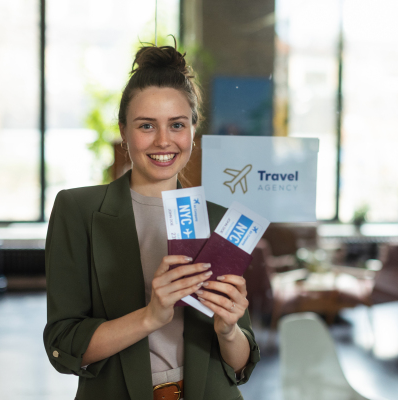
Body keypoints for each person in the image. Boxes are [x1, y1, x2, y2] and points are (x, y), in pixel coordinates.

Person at [43, 43, 260, 400]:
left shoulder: (220, 217)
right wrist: (151, 316)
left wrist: (229, 330)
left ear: (193, 129)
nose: (163, 141)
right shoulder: (76, 210)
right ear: (124, 131)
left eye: (176, 125)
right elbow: (64, 346)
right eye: (147, 125)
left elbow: (239, 367)